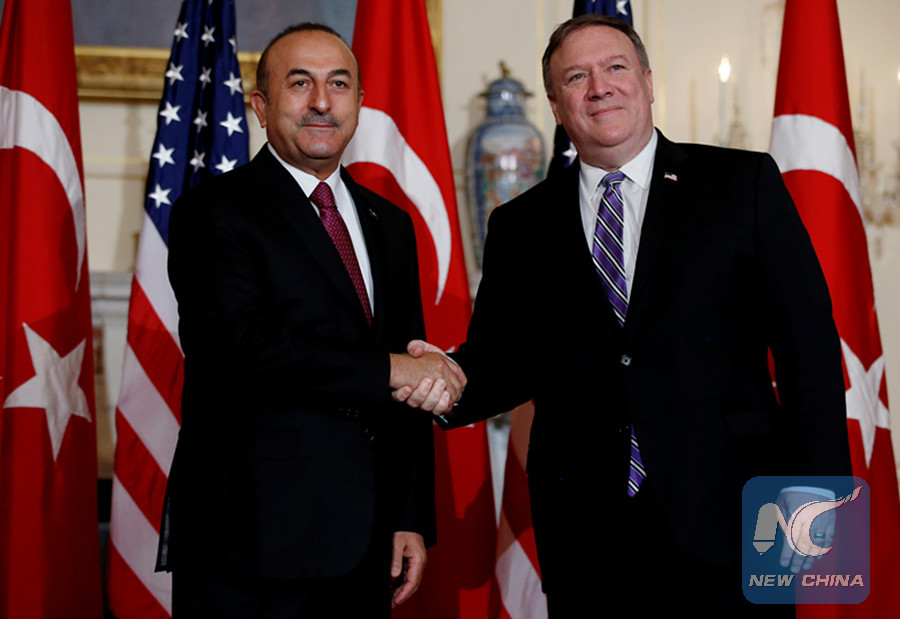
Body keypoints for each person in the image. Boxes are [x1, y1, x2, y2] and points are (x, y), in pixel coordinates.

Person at [399, 14, 851, 616]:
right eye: (576, 77)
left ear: (647, 81)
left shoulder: (741, 183)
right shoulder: (521, 224)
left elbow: (809, 350)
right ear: (557, 106)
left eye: (615, 67)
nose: (599, 87)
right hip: (587, 536)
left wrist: (818, 494)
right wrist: (441, 379)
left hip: (737, 516)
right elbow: (503, 364)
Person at [156, 23, 465, 617]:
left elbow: (410, 364)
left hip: (366, 544)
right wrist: (390, 370)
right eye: (300, 84)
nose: (322, 101)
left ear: (359, 104)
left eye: (339, 84)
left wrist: (408, 516)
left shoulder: (390, 224)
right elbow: (239, 346)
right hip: (250, 543)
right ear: (261, 106)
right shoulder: (213, 211)